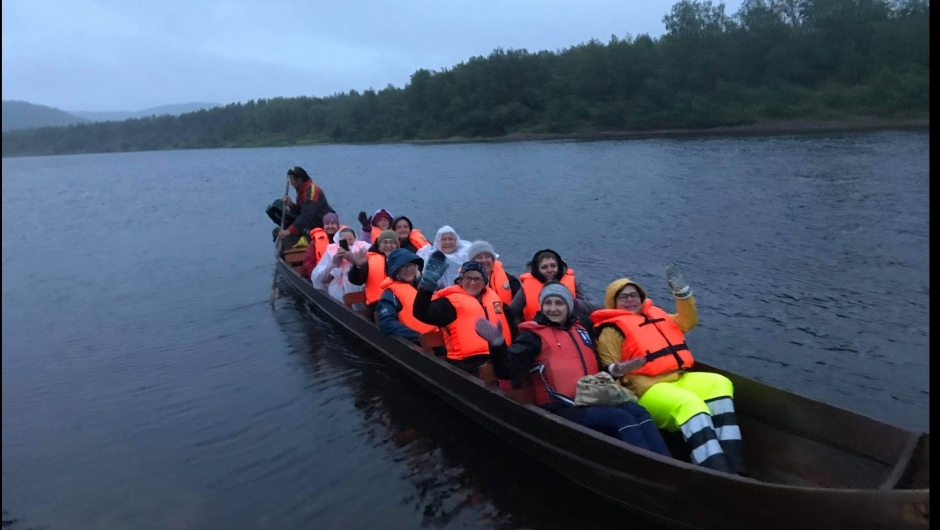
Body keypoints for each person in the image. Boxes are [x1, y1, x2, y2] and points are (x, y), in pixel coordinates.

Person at [475, 283, 672, 456]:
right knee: (621, 418)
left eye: (559, 303)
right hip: (560, 408)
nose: (553, 308)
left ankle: (665, 462)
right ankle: (647, 469)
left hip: (591, 398)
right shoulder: (532, 338)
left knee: (637, 411)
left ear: (568, 307)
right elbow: (507, 371)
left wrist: (615, 369)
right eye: (548, 303)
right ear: (542, 306)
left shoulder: (581, 329)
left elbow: (593, 365)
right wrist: (498, 344)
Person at [591, 265, 745, 474]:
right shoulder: (611, 329)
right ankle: (716, 470)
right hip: (644, 390)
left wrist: (683, 294)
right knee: (691, 404)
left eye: (634, 295)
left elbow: (688, 321)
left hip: (678, 377)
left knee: (720, 383)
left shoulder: (657, 316)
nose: (630, 300)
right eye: (623, 297)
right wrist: (625, 368)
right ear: (613, 302)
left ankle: (734, 462)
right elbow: (609, 369)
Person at [413, 254, 511, 377]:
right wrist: (427, 286)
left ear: (484, 282)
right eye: (468, 278)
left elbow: (512, 323)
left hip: (500, 355)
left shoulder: (493, 300)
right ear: (460, 281)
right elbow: (421, 313)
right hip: (467, 365)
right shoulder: (449, 304)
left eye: (477, 279)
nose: (472, 282)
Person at [509, 249, 595, 328]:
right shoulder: (526, 287)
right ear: (537, 270)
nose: (550, 270)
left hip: (568, 328)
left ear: (559, 266)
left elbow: (596, 305)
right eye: (544, 267)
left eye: (553, 266)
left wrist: (573, 303)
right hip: (538, 330)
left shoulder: (573, 281)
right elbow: (511, 312)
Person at [376, 248, 441, 348]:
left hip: (441, 337)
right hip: (420, 344)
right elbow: (387, 323)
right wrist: (416, 337)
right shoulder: (389, 295)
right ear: (396, 270)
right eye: (404, 267)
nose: (409, 269)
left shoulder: (426, 287)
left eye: (411, 265)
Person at [272, 166, 335, 249]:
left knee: (289, 235)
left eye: (292, 180)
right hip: (312, 224)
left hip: (322, 225)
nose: (291, 183)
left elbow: (306, 216)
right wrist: (290, 204)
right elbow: (301, 210)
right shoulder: (302, 190)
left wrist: (289, 231)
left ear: (299, 180)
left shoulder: (311, 191)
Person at [310, 227, 369, 308]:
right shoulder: (331, 250)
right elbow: (320, 278)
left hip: (358, 287)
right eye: (344, 241)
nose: (348, 243)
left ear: (355, 239)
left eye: (350, 239)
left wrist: (352, 259)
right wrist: (334, 263)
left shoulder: (364, 247)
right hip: (338, 288)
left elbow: (368, 269)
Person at [347, 229, 400, 316]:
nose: (388, 245)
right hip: (378, 304)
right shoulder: (370, 260)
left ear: (397, 246)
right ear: (379, 246)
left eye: (392, 242)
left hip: (399, 302)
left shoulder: (404, 261)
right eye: (385, 242)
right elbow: (356, 280)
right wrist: (358, 266)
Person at [416, 226, 472, 290]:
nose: (447, 242)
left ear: (456, 241)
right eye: (443, 239)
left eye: (450, 239)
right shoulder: (427, 255)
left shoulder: (465, 255)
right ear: (438, 242)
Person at [467, 240, 520, 307]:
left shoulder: (511, 281)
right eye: (479, 257)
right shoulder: (464, 283)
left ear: (493, 259)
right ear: (472, 262)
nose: (484, 260)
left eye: (487, 256)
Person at [302, 212, 341, 277]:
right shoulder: (315, 242)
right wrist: (315, 277)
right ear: (323, 226)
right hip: (322, 276)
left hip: (339, 276)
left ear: (337, 225)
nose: (330, 226)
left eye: (333, 223)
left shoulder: (344, 239)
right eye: (327, 224)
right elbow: (308, 263)